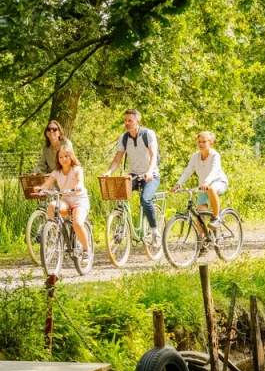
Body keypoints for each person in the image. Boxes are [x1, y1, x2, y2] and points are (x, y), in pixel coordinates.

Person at [103, 109, 161, 246]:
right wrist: (108, 172)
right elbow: (117, 159)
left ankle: (154, 232)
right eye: (125, 120)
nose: (127, 123)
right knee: (118, 193)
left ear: (137, 122)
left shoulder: (148, 134)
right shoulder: (124, 138)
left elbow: (153, 155)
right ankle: (121, 225)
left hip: (150, 174)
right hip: (134, 174)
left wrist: (149, 171)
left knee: (145, 200)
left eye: (130, 120)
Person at [34, 145, 91, 261]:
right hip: (66, 200)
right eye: (61, 157)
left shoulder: (77, 169)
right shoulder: (56, 172)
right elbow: (48, 183)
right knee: (52, 206)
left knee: (77, 223)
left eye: (66, 156)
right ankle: (53, 238)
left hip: (79, 200)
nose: (64, 159)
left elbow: (80, 180)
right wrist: (41, 188)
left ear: (71, 157)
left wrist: (79, 185)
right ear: (58, 159)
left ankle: (86, 249)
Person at [170, 131, 228, 228]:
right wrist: (178, 184)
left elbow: (214, 170)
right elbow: (188, 171)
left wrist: (206, 182)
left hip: (218, 182)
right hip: (203, 187)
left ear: (211, 143)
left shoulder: (215, 155)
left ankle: (216, 217)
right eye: (199, 141)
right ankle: (200, 240)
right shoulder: (195, 157)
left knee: (212, 189)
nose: (201, 144)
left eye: (204, 142)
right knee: (200, 215)